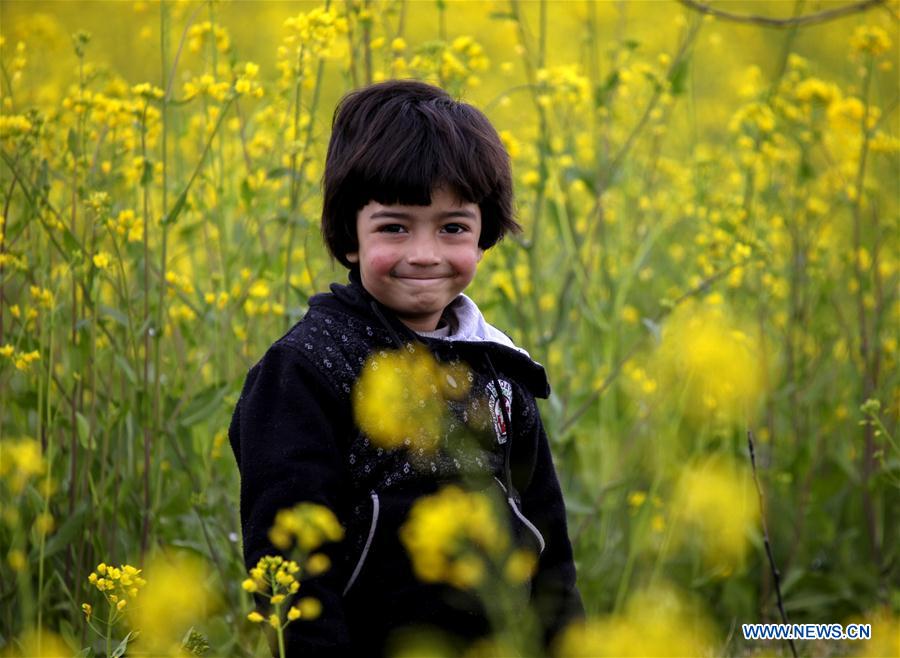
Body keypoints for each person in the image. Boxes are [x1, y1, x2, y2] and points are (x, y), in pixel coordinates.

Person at [229, 79, 583, 657]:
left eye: (453, 228)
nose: (425, 253)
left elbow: (549, 550)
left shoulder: (499, 369)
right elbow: (289, 575)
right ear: (349, 237)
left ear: (483, 233)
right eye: (394, 227)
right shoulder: (305, 369)